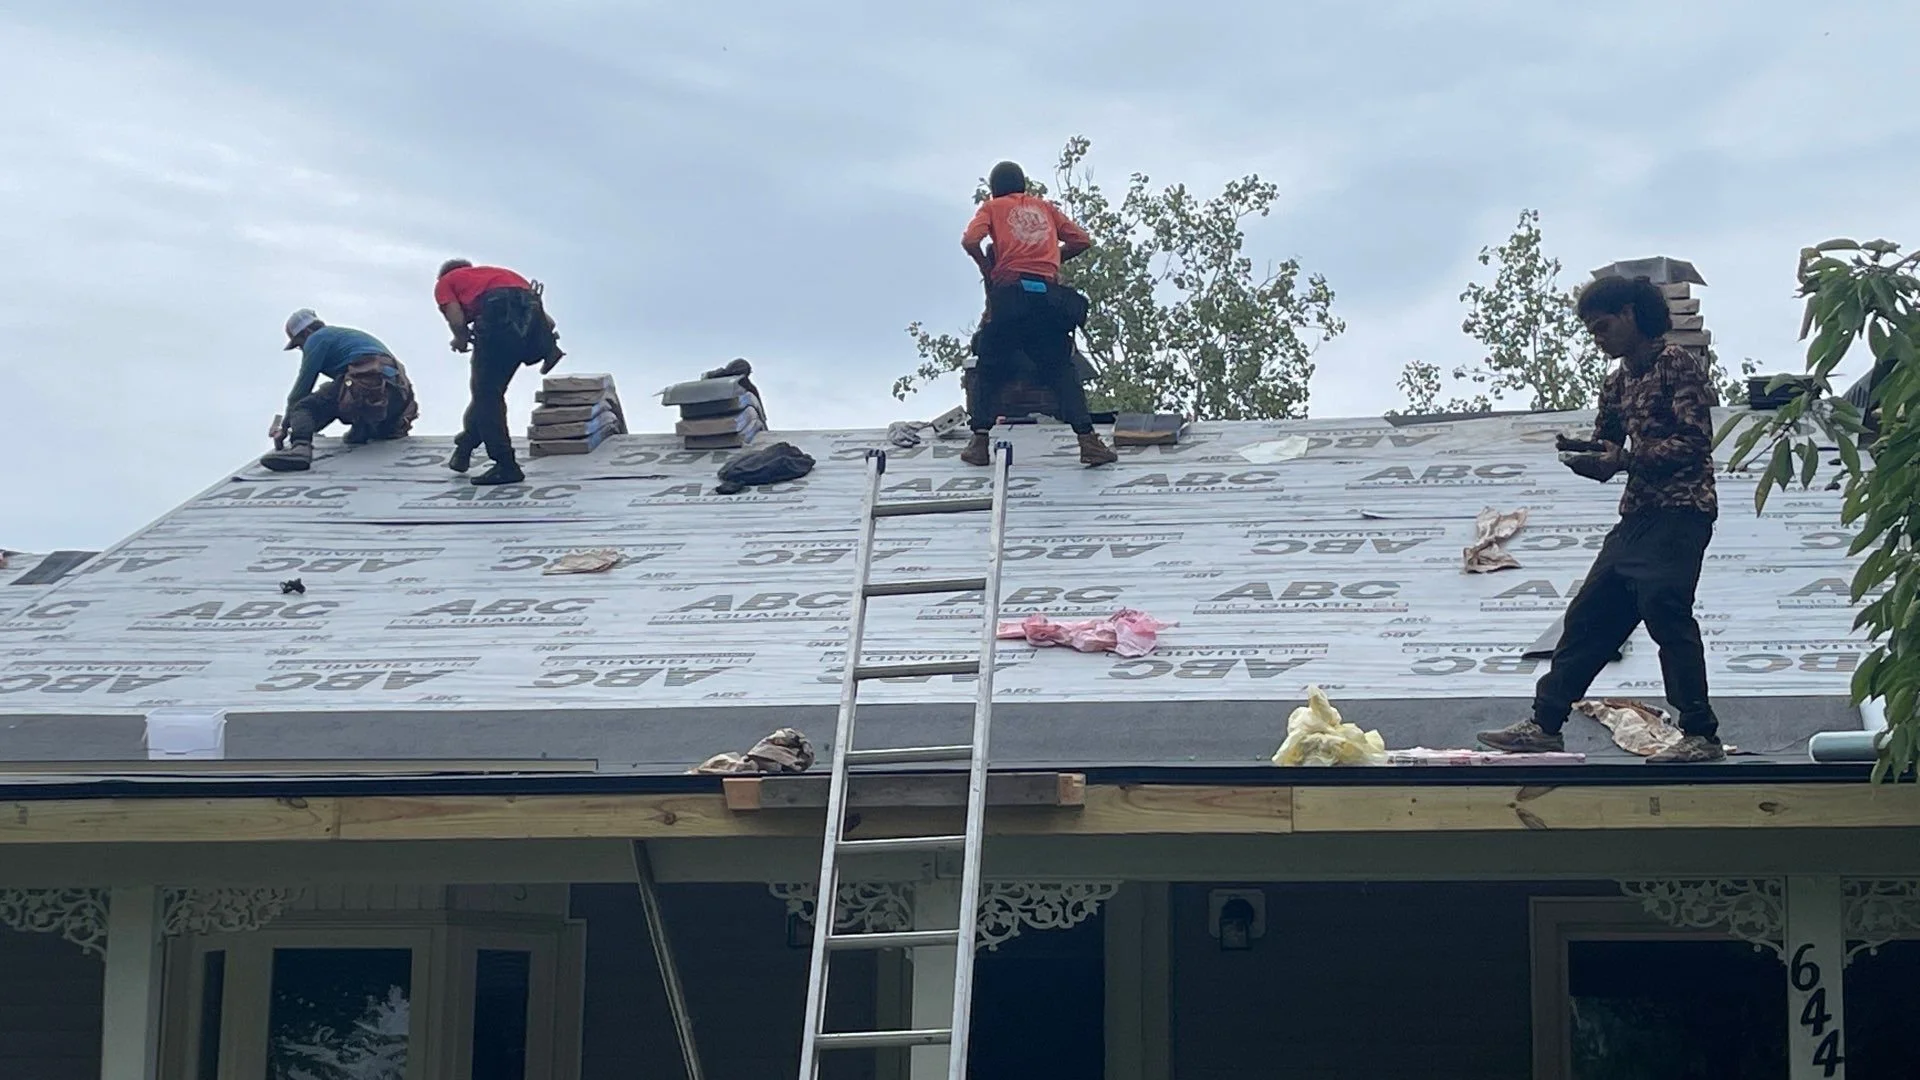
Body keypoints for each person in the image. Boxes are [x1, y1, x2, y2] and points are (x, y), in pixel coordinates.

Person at [1478, 275, 1725, 763]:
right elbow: (1608, 448)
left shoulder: (1675, 364)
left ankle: (1700, 735)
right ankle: (1545, 725)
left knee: (1664, 609)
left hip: (1682, 511)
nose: (1598, 337)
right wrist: (1584, 454)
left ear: (1633, 314)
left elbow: (1696, 442)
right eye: (1591, 330)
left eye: (1604, 325)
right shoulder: (1616, 382)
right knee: (1590, 615)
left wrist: (1626, 459)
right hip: (1638, 515)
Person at [960, 161, 1117, 468]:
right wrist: (1052, 258)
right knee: (1060, 368)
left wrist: (986, 267)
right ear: (1023, 186)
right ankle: (1089, 443)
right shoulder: (1044, 207)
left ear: (994, 189)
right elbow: (1082, 241)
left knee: (989, 363)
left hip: (1012, 296)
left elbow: (970, 241)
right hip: (1048, 299)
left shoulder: (992, 208)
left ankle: (979, 443)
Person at [435, 259, 564, 486]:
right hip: (529, 327)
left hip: (498, 319)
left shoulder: (446, 282)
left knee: (486, 396)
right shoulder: (500, 276)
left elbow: (455, 318)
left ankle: (506, 465)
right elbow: (549, 323)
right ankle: (465, 445)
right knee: (489, 394)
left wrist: (461, 338)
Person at [260, 310, 417, 473]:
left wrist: (285, 428)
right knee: (353, 437)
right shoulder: (344, 337)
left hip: (369, 382)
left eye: (299, 343)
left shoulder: (317, 338)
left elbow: (301, 390)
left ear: (306, 332)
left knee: (303, 408)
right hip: (397, 394)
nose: (302, 349)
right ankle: (364, 429)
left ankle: (300, 449)